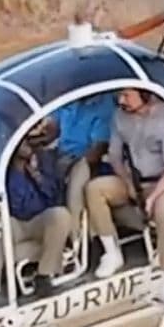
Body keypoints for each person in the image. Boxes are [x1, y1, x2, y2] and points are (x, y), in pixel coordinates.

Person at [84, 88, 164, 303]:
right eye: (119, 95)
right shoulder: (119, 117)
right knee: (94, 189)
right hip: (132, 179)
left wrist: (153, 197)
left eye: (127, 95)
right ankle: (112, 253)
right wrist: (127, 182)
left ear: (144, 95)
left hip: (159, 183)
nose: (121, 100)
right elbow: (115, 156)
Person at [39, 93, 116, 239]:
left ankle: (74, 236)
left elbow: (97, 150)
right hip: (59, 153)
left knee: (77, 172)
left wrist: (66, 164)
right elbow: (53, 129)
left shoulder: (103, 105)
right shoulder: (70, 97)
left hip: (84, 159)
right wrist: (37, 136)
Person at [5, 138, 73, 297]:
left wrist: (37, 176)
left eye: (28, 141)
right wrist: (19, 172)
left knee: (60, 215)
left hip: (41, 221)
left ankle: (44, 275)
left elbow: (55, 198)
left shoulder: (43, 161)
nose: (29, 146)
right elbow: (17, 208)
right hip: (18, 224)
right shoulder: (6, 174)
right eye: (23, 143)